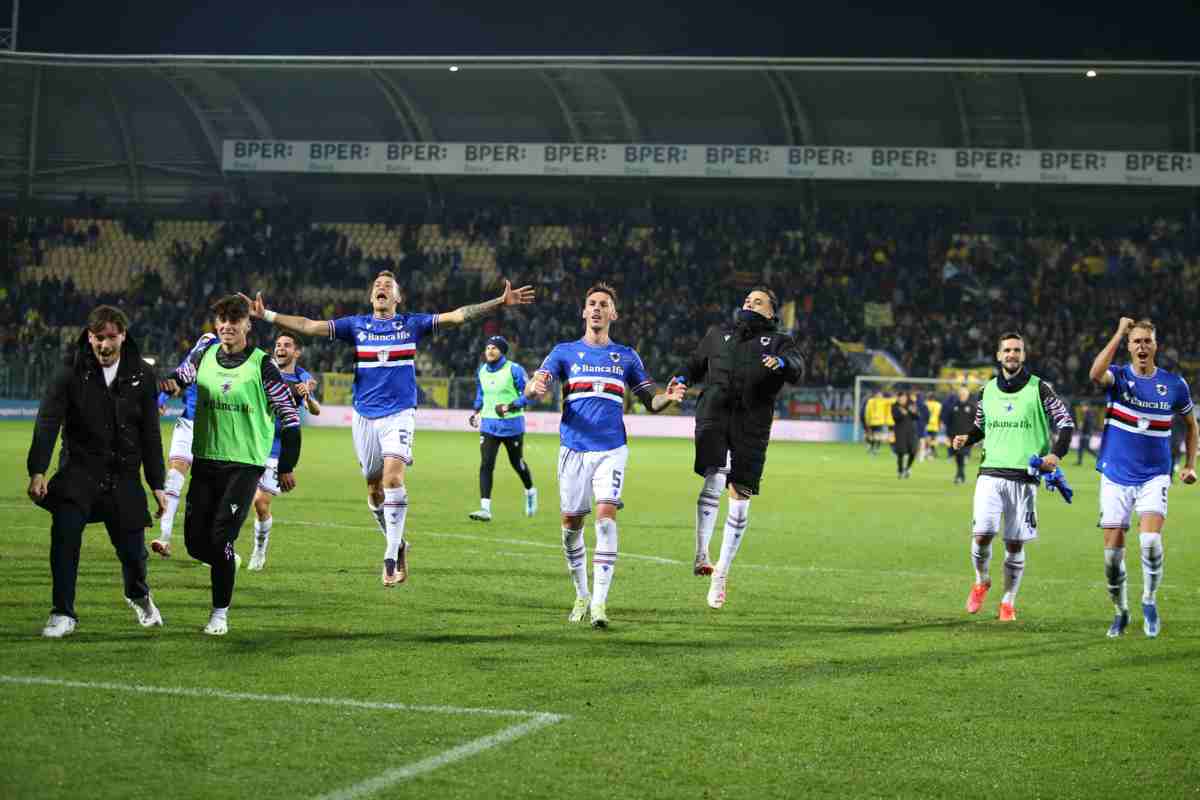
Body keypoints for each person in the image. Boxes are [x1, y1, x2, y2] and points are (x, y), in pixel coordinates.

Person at [241, 271, 534, 586]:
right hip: (364, 416)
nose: (381, 288)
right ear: (371, 297)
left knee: (393, 477)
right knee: (373, 490)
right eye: (377, 286)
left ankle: (391, 555)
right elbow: (310, 326)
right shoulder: (355, 326)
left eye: (388, 286)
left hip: (399, 413)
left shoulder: (411, 324)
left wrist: (499, 302)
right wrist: (267, 315)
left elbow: (458, 316)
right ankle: (399, 541)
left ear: (398, 298)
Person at [525, 282, 685, 628]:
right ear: (584, 312)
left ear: (613, 314)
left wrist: (667, 398)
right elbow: (538, 383)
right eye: (592, 303)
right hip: (573, 449)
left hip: (612, 448)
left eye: (603, 304)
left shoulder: (626, 356)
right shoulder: (564, 352)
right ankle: (581, 593)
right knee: (571, 526)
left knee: (606, 518)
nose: (597, 308)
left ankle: (599, 604)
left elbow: (650, 401)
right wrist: (533, 387)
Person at [160, 295, 301, 635]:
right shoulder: (205, 354)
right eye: (222, 319)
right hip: (207, 461)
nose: (227, 325)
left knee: (222, 536)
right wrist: (163, 386)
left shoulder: (261, 364)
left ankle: (219, 614)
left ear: (247, 325)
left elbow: (290, 416)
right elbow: (179, 378)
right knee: (195, 543)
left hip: (244, 466)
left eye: (234, 319)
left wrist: (286, 465)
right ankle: (226, 561)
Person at [26, 305, 167, 638]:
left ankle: (138, 595)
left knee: (133, 553)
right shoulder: (69, 371)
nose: (104, 345)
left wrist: (157, 484)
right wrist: (38, 471)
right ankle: (63, 613)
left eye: (111, 337)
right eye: (98, 338)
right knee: (64, 537)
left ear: (123, 336)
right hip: (79, 472)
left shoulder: (142, 376)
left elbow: (150, 433)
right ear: (89, 336)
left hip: (124, 475)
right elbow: (48, 422)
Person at [678, 286, 804, 609]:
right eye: (748, 299)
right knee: (715, 473)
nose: (749, 303)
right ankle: (701, 553)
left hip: (753, 422)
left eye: (757, 301)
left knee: (740, 493)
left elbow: (797, 367)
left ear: (771, 313)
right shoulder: (718, 334)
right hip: (715, 414)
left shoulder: (779, 341)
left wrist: (782, 364)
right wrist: (680, 380)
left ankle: (722, 570)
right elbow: (693, 364)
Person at [952, 332, 1074, 622]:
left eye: (1017, 350)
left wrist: (1055, 455)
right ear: (998, 355)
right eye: (1006, 349)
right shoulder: (987, 391)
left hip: (1024, 478)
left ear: (1023, 355)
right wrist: (965, 439)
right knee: (981, 535)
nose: (1011, 354)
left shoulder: (1040, 389)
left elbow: (1066, 423)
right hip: (990, 474)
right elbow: (981, 428)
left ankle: (1008, 600)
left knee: (1014, 544)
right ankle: (982, 581)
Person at [1087, 317, 1197, 638]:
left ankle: (1149, 599)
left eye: (1147, 341)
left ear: (1155, 345)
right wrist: (1119, 332)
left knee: (1150, 542)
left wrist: (1190, 464)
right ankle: (1121, 611)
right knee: (1112, 558)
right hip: (1116, 475)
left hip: (1154, 475)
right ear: (1129, 346)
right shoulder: (1118, 377)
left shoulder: (1174, 385)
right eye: (1136, 341)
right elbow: (1095, 374)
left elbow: (1191, 425)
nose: (1142, 346)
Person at [246, 331, 321, 571]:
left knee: (260, 503)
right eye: (278, 344)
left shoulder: (302, 377)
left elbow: (315, 409)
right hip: (252, 442)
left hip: (278, 448)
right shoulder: (264, 369)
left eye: (287, 345)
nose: (281, 348)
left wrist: (307, 397)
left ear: (296, 352)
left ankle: (259, 548)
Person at [150, 332, 217, 558]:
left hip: (216, 430)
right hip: (188, 422)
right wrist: (161, 400)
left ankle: (211, 546)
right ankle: (164, 537)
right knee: (174, 478)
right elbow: (179, 376)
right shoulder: (204, 347)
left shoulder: (238, 361)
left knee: (209, 490)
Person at [467, 335, 537, 521]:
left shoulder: (514, 369)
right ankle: (485, 509)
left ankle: (530, 491)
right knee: (486, 464)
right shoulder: (482, 370)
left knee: (517, 464)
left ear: (502, 351)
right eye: (488, 347)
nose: (490, 350)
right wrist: (475, 412)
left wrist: (509, 407)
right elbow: (481, 394)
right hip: (489, 425)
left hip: (512, 426)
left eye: (494, 348)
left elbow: (529, 394)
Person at [945, 385, 978, 484]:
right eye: (961, 394)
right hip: (954, 437)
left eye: (964, 394)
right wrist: (948, 435)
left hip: (967, 437)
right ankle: (961, 475)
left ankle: (959, 476)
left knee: (962, 454)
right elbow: (948, 422)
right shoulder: (953, 407)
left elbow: (977, 423)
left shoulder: (972, 407)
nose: (962, 396)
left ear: (967, 395)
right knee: (959, 456)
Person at [891, 391, 918, 479]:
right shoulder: (894, 406)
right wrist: (902, 413)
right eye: (900, 398)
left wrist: (914, 412)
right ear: (898, 398)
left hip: (911, 432)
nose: (902, 399)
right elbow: (895, 418)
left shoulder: (911, 405)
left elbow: (917, 417)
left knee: (913, 451)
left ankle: (908, 468)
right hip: (900, 432)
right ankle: (900, 471)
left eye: (904, 398)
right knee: (901, 452)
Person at [1073, 401, 1097, 465]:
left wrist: (1082, 426)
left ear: (1086, 406)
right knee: (1081, 448)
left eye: (1083, 406)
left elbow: (1089, 424)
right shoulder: (1087, 413)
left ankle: (1099, 457)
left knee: (1087, 448)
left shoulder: (1089, 414)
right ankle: (1079, 462)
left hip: (1086, 433)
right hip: (1085, 433)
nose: (1082, 408)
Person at [923, 392, 942, 461]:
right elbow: (940, 415)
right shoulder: (938, 405)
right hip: (935, 425)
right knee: (933, 440)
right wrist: (940, 424)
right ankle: (932, 452)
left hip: (926, 425)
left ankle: (926, 453)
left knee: (926, 440)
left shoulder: (925, 404)